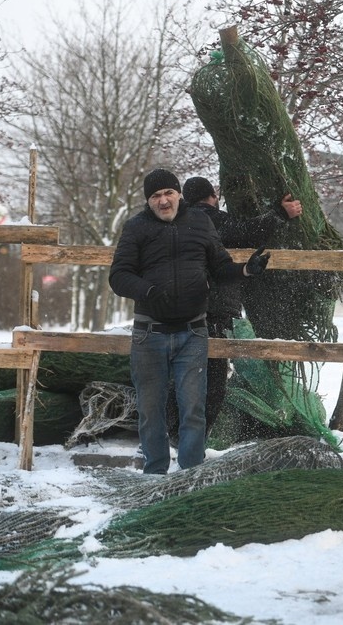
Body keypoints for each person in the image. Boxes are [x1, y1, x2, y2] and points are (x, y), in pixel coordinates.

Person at [109, 168, 270, 474]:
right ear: (148, 201)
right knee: (150, 411)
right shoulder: (136, 228)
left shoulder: (200, 222)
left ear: (179, 194)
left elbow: (220, 267)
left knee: (193, 409)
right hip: (149, 334)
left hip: (192, 332)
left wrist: (246, 270)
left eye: (169, 193)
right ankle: (154, 474)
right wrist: (148, 291)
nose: (163, 200)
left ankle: (190, 474)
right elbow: (118, 276)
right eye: (156, 196)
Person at [179, 176, 302, 439]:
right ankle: (193, 437)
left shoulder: (177, 223)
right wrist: (280, 213)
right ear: (212, 197)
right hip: (214, 310)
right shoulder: (210, 218)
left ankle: (181, 433)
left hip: (182, 310)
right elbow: (247, 232)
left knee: (185, 373)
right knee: (212, 380)